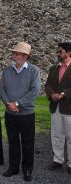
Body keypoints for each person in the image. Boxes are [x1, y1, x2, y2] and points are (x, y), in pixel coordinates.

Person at [0, 42, 41, 181]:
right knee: (12, 142)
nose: (14, 55)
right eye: (14, 53)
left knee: (28, 143)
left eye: (17, 53)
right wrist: (9, 105)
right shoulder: (7, 71)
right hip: (10, 114)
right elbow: (2, 89)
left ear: (25, 56)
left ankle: (27, 170)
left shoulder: (34, 71)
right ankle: (13, 168)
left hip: (27, 115)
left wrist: (17, 103)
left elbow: (35, 91)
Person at [45, 42, 71, 175]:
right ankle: (58, 160)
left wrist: (63, 94)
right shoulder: (53, 68)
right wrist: (51, 94)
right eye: (57, 51)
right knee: (56, 136)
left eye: (60, 52)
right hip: (55, 107)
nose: (57, 54)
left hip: (69, 108)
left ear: (68, 53)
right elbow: (48, 85)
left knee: (70, 136)